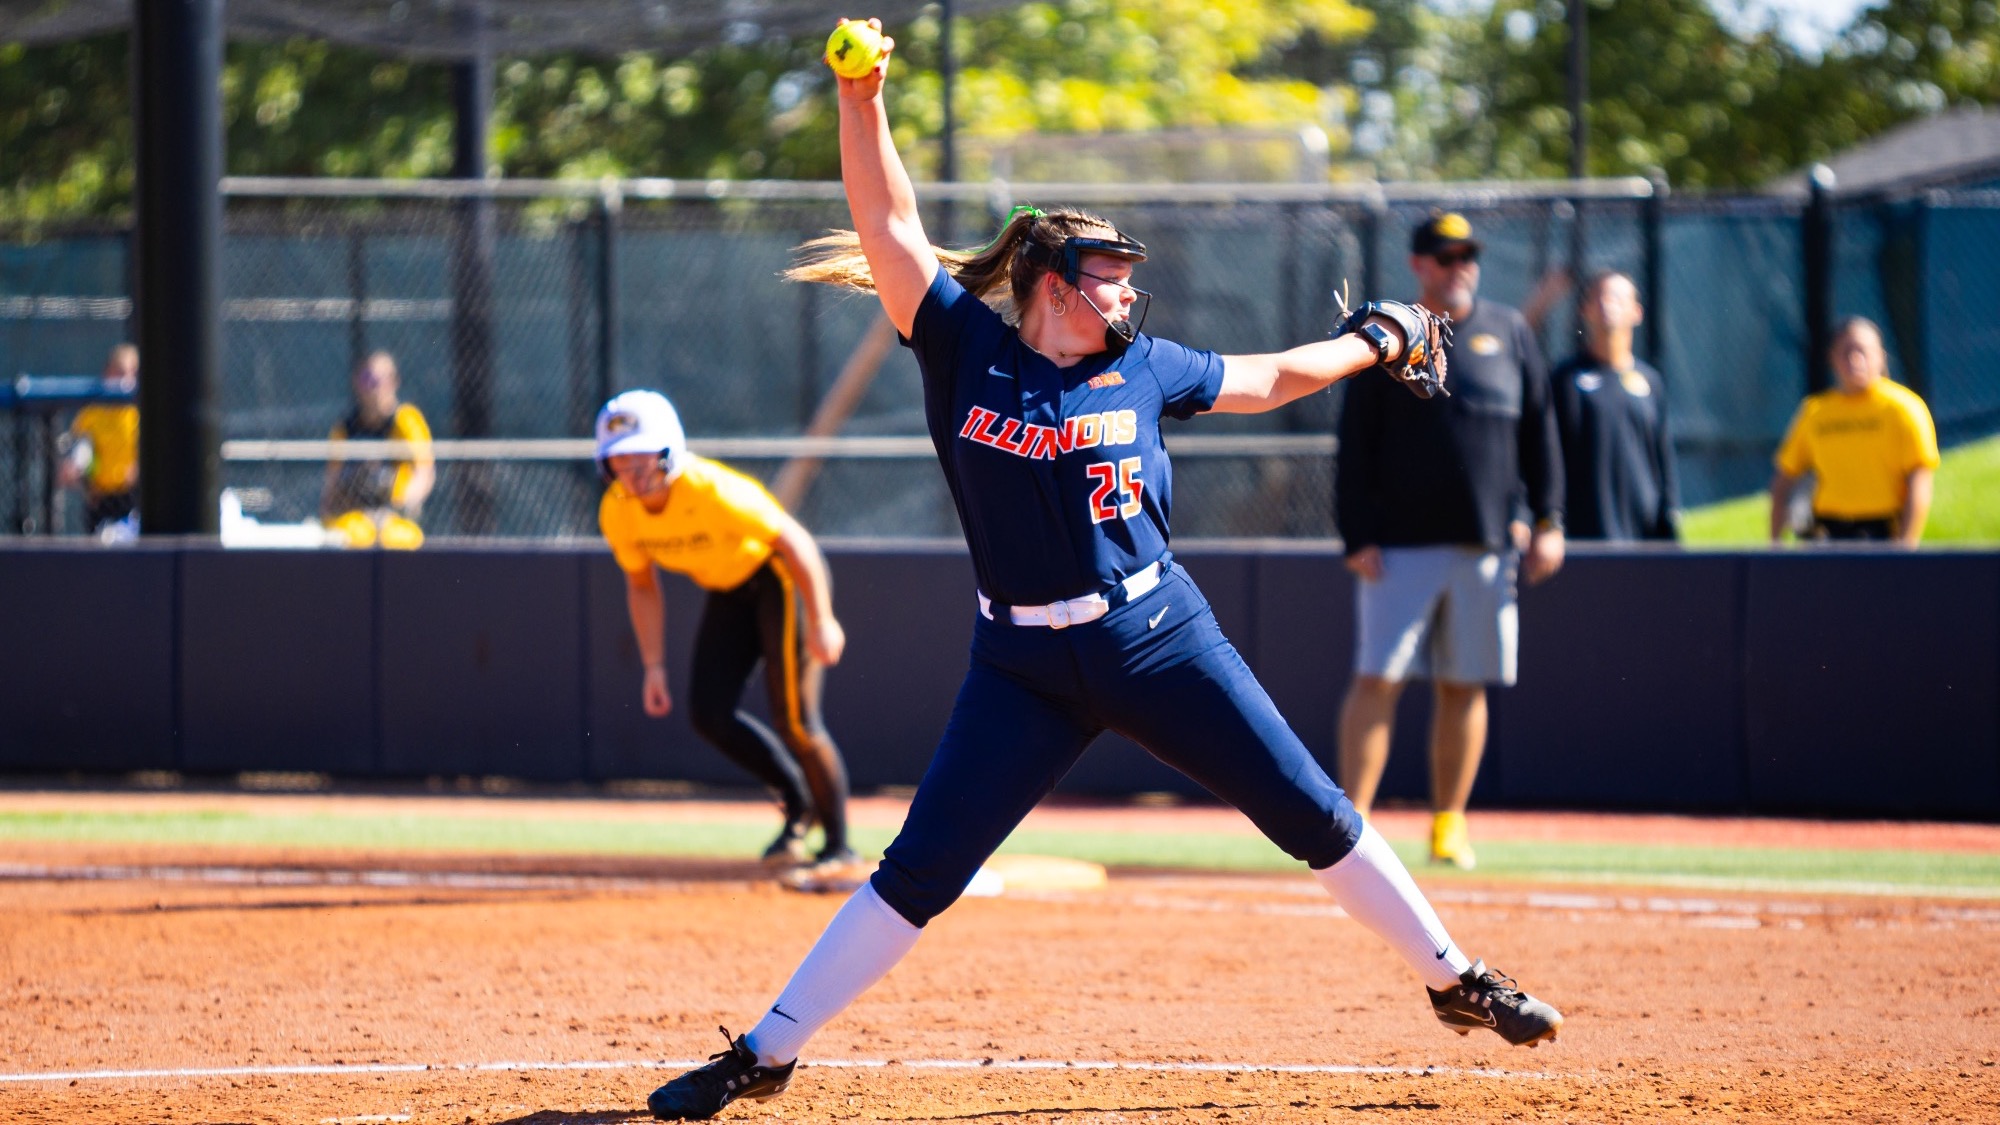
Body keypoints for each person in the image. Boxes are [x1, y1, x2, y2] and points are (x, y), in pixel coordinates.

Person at [644, 28, 1562, 1122]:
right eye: (1105, 281)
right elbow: (889, 225)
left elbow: (1269, 380)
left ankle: (1453, 978)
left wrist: (1377, 336)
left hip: (1158, 636)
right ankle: (767, 1050)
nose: (1125, 298)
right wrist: (859, 99)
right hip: (1020, 664)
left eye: (1129, 282)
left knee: (1309, 809)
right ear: (1042, 284)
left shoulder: (1141, 365)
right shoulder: (960, 347)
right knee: (918, 870)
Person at [1334, 211, 1564, 872]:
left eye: (1467, 255)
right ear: (1419, 265)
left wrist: (1548, 518)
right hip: (1399, 545)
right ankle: (1354, 829)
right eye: (1444, 256)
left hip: (1484, 544)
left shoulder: (1509, 330)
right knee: (1378, 677)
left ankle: (1447, 825)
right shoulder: (1389, 332)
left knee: (1465, 684)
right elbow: (1354, 441)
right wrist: (1357, 531)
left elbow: (1539, 431)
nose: (1459, 265)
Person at [595, 388, 858, 875]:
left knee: (796, 720)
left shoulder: (711, 490)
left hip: (775, 577)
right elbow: (641, 584)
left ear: (670, 451)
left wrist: (822, 619)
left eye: (642, 458)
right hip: (728, 589)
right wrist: (653, 666)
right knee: (708, 714)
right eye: (619, 461)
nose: (631, 473)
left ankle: (839, 846)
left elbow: (794, 541)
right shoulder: (618, 510)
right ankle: (798, 802)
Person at [1769, 317, 1938, 547]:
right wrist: (1775, 543)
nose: (1855, 360)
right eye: (1846, 352)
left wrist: (1906, 545)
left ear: (1881, 356)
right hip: (1826, 531)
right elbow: (1785, 477)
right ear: (1832, 359)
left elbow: (1920, 480)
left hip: (1882, 530)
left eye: (1862, 351)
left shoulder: (1904, 408)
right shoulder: (1816, 412)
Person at [1551, 270, 1680, 541]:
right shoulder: (1564, 379)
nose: (1607, 304)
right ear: (1584, 310)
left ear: (1637, 312)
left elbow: (1662, 460)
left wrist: (1669, 519)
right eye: (1599, 296)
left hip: (1642, 542)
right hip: (1582, 541)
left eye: (1618, 298)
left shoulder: (1650, 382)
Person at [321, 351, 434, 549]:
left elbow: (424, 472)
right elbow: (332, 481)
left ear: (394, 382)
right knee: (349, 538)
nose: (372, 388)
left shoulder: (406, 420)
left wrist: (403, 504)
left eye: (378, 380)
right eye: (366, 379)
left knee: (400, 540)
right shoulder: (344, 429)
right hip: (354, 516)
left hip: (394, 517)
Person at [57, 343, 140, 536]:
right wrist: (75, 469)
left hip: (132, 500)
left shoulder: (138, 413)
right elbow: (81, 452)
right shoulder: (91, 414)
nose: (126, 380)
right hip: (99, 500)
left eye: (132, 373)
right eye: (120, 372)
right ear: (108, 373)